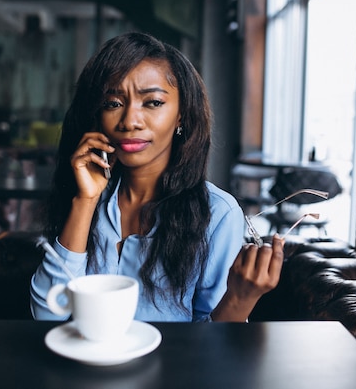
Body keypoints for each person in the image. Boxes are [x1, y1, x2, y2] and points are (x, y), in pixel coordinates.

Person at [30, 32, 284, 322]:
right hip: (83, 364)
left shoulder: (217, 214)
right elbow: (47, 315)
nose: (129, 121)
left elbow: (212, 347)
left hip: (173, 367)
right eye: (113, 103)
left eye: (152, 103)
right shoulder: (88, 196)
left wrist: (241, 297)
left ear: (181, 116)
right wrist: (85, 201)